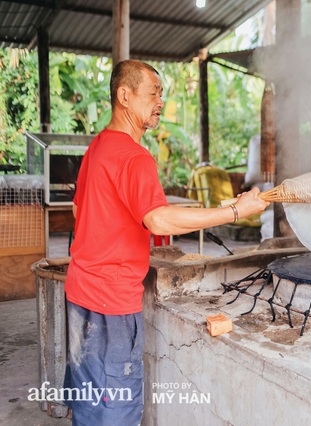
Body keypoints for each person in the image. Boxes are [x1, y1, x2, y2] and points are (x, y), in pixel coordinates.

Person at [63, 60, 269, 425]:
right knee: (115, 409)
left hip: (81, 295)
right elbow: (157, 218)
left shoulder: (98, 147)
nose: (160, 102)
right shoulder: (134, 156)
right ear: (124, 96)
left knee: (89, 400)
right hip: (112, 305)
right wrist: (235, 212)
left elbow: (82, 213)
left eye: (162, 93)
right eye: (153, 92)